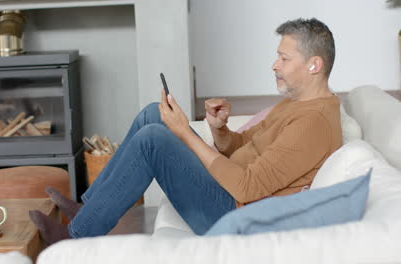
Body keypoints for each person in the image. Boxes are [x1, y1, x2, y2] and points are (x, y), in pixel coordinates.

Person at [29, 17, 342, 244]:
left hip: (231, 213)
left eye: (284, 58)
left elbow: (248, 188)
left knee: (154, 139)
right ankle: (88, 208)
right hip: (229, 191)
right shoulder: (296, 103)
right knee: (153, 115)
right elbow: (243, 143)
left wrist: (187, 134)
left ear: (314, 65)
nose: (275, 65)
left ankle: (74, 236)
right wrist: (220, 130)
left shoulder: (313, 123)